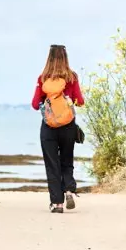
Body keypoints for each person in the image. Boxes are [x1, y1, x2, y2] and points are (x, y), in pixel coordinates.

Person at [31, 45, 85, 213]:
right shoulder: (72, 77)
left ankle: (57, 204)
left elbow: (35, 104)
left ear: (49, 58)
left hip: (49, 127)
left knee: (52, 164)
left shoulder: (43, 78)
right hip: (68, 127)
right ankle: (68, 189)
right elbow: (80, 101)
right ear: (65, 57)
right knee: (67, 160)